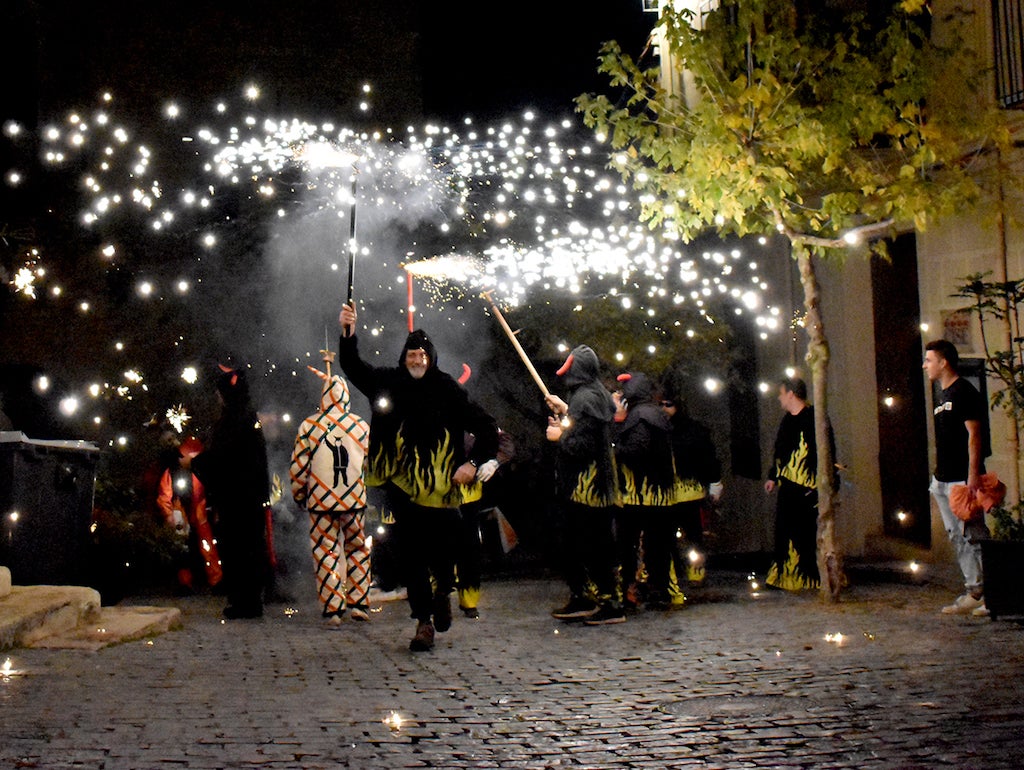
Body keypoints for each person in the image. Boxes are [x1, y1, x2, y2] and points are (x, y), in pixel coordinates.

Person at [337, 302, 499, 651]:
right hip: (400, 488)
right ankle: (423, 622)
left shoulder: (447, 389)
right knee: (410, 554)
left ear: (432, 357)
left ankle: (443, 592)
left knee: (444, 554)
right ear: (404, 357)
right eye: (412, 355)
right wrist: (348, 332)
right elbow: (353, 367)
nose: (417, 361)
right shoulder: (388, 382)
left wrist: (474, 463)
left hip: (442, 491)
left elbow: (487, 427)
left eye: (423, 355)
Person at [545, 344, 625, 625]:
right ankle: (585, 597)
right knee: (582, 544)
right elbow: (588, 425)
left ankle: (608, 602)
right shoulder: (594, 394)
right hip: (592, 486)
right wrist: (566, 410)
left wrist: (559, 435)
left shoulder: (586, 397)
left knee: (592, 546)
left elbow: (583, 444)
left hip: (587, 487)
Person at [290, 366, 371, 627]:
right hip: (354, 501)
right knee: (358, 549)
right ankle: (359, 603)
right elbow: (370, 464)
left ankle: (332, 609)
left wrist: (300, 493)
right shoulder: (361, 426)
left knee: (325, 552)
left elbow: (299, 466)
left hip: (321, 502)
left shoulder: (309, 426)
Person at [191, 365, 272, 619]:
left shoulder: (233, 421)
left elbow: (222, 459)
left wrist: (194, 463)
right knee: (251, 548)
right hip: (251, 496)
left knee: (239, 549)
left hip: (237, 498)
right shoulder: (248, 417)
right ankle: (250, 600)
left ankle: (244, 601)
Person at [922, 339, 992, 617]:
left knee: (973, 534)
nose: (925, 365)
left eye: (929, 360)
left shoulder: (964, 391)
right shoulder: (941, 393)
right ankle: (974, 589)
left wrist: (973, 473)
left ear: (944, 362)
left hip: (961, 478)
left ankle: (991, 591)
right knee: (955, 535)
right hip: (942, 477)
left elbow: (974, 434)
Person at [611, 372, 677, 611]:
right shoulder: (656, 414)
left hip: (640, 495)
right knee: (657, 546)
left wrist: (615, 450)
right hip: (659, 495)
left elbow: (637, 450)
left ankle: (634, 589)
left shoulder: (639, 416)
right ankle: (659, 590)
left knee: (630, 545)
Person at [763, 376, 835, 591]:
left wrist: (826, 484)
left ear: (791, 394)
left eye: (782, 393)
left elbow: (827, 451)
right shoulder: (787, 421)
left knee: (805, 532)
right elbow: (780, 451)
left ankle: (809, 577)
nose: (779, 398)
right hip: (788, 485)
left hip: (807, 487)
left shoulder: (813, 418)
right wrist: (773, 476)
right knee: (785, 531)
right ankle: (786, 575)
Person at [660, 391, 723, 600]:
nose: (664, 409)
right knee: (668, 537)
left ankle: (696, 572)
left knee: (694, 535)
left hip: (689, 492)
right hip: (668, 493)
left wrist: (714, 483)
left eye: (668, 404)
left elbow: (708, 458)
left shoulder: (692, 431)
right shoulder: (659, 430)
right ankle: (673, 574)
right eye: (660, 404)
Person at [455, 428, 516, 619]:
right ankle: (434, 596)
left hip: (467, 493)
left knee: (469, 547)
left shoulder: (470, 417)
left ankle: (469, 599)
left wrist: (493, 462)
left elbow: (503, 440)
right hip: (431, 491)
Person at [156, 436, 223, 593]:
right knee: (182, 550)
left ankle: (216, 580)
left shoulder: (201, 471)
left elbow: (210, 493)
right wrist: (170, 516)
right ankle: (185, 583)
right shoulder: (171, 473)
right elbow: (163, 497)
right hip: (181, 517)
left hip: (200, 516)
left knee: (208, 548)